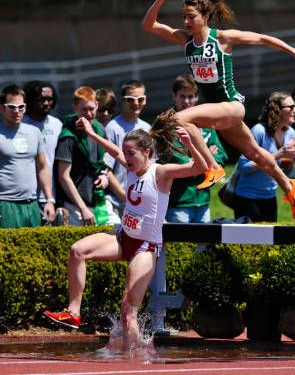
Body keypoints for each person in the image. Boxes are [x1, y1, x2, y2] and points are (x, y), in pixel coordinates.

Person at [142, 0, 295, 219]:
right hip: (216, 110)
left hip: (232, 106)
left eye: (191, 17)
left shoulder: (222, 38)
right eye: (184, 17)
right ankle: (289, 185)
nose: (186, 22)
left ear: (206, 16)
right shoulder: (184, 40)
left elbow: (263, 38)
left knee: (179, 119)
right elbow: (149, 25)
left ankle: (213, 167)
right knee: (254, 152)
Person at [44, 111, 208, 352]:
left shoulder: (161, 173)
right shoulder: (133, 167)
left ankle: (132, 360)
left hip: (145, 247)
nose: (126, 158)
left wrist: (190, 144)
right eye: (126, 152)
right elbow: (113, 151)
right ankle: (73, 313)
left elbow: (199, 167)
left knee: (128, 309)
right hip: (123, 238)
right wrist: (91, 133)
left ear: (147, 153)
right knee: (77, 250)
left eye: (131, 153)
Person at [165, 73, 228, 223]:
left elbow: (222, 156)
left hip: (203, 201)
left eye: (191, 96)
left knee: (204, 245)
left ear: (197, 97)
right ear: (173, 96)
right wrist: (207, 158)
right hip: (179, 201)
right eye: (182, 96)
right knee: (180, 246)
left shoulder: (205, 122)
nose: (187, 101)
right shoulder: (168, 124)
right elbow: (176, 160)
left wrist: (198, 160)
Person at [55, 86, 120, 226]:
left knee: (117, 233)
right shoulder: (67, 137)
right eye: (84, 110)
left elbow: (103, 162)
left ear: (97, 105)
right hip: (76, 208)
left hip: (99, 201)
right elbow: (63, 176)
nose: (89, 114)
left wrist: (104, 175)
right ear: (75, 108)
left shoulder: (99, 128)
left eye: (92, 108)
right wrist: (83, 209)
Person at [233, 91, 295, 222]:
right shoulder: (259, 131)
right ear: (277, 110)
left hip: (270, 197)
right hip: (248, 198)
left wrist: (291, 159)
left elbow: (286, 171)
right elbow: (243, 166)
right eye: (290, 107)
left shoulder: (290, 133)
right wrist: (277, 154)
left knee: (269, 241)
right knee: (247, 240)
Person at [0, 84, 55, 228]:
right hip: (5, 204)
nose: (17, 111)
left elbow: (43, 168)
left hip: (32, 204)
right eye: (11, 107)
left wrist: (49, 200)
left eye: (21, 107)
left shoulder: (34, 132)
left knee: (33, 249)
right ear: (2, 108)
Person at [105, 80, 151, 216]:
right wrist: (126, 198)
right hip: (117, 203)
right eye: (130, 99)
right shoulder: (112, 128)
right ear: (123, 101)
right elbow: (107, 171)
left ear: (145, 100)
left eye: (140, 99)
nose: (136, 103)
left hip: (141, 204)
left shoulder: (147, 129)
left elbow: (149, 168)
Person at [23, 80, 62, 215]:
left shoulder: (57, 125)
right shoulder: (21, 124)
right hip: (26, 197)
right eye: (41, 99)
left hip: (50, 197)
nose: (46, 103)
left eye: (49, 99)